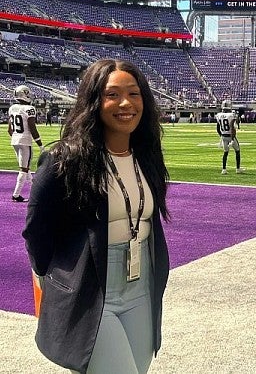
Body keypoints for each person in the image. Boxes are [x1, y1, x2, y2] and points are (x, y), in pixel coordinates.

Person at [22, 59, 170, 374]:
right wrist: (57, 280)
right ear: (93, 101)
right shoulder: (65, 159)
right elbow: (37, 230)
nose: (126, 103)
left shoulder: (147, 154)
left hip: (141, 285)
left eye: (134, 93)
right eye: (112, 94)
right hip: (92, 288)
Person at [8, 85, 44, 202]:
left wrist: (16, 137)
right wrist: (40, 145)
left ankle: (35, 187)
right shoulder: (29, 108)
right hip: (24, 140)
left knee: (25, 166)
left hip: (14, 139)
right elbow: (32, 128)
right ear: (24, 94)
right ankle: (16, 194)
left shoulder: (12, 108)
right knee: (24, 168)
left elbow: (10, 129)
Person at [216, 99, 244, 174]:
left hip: (224, 136)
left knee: (225, 152)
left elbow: (218, 128)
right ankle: (238, 169)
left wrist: (221, 136)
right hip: (230, 136)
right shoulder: (231, 115)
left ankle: (224, 169)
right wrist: (232, 138)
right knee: (237, 151)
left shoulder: (219, 115)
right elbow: (232, 127)